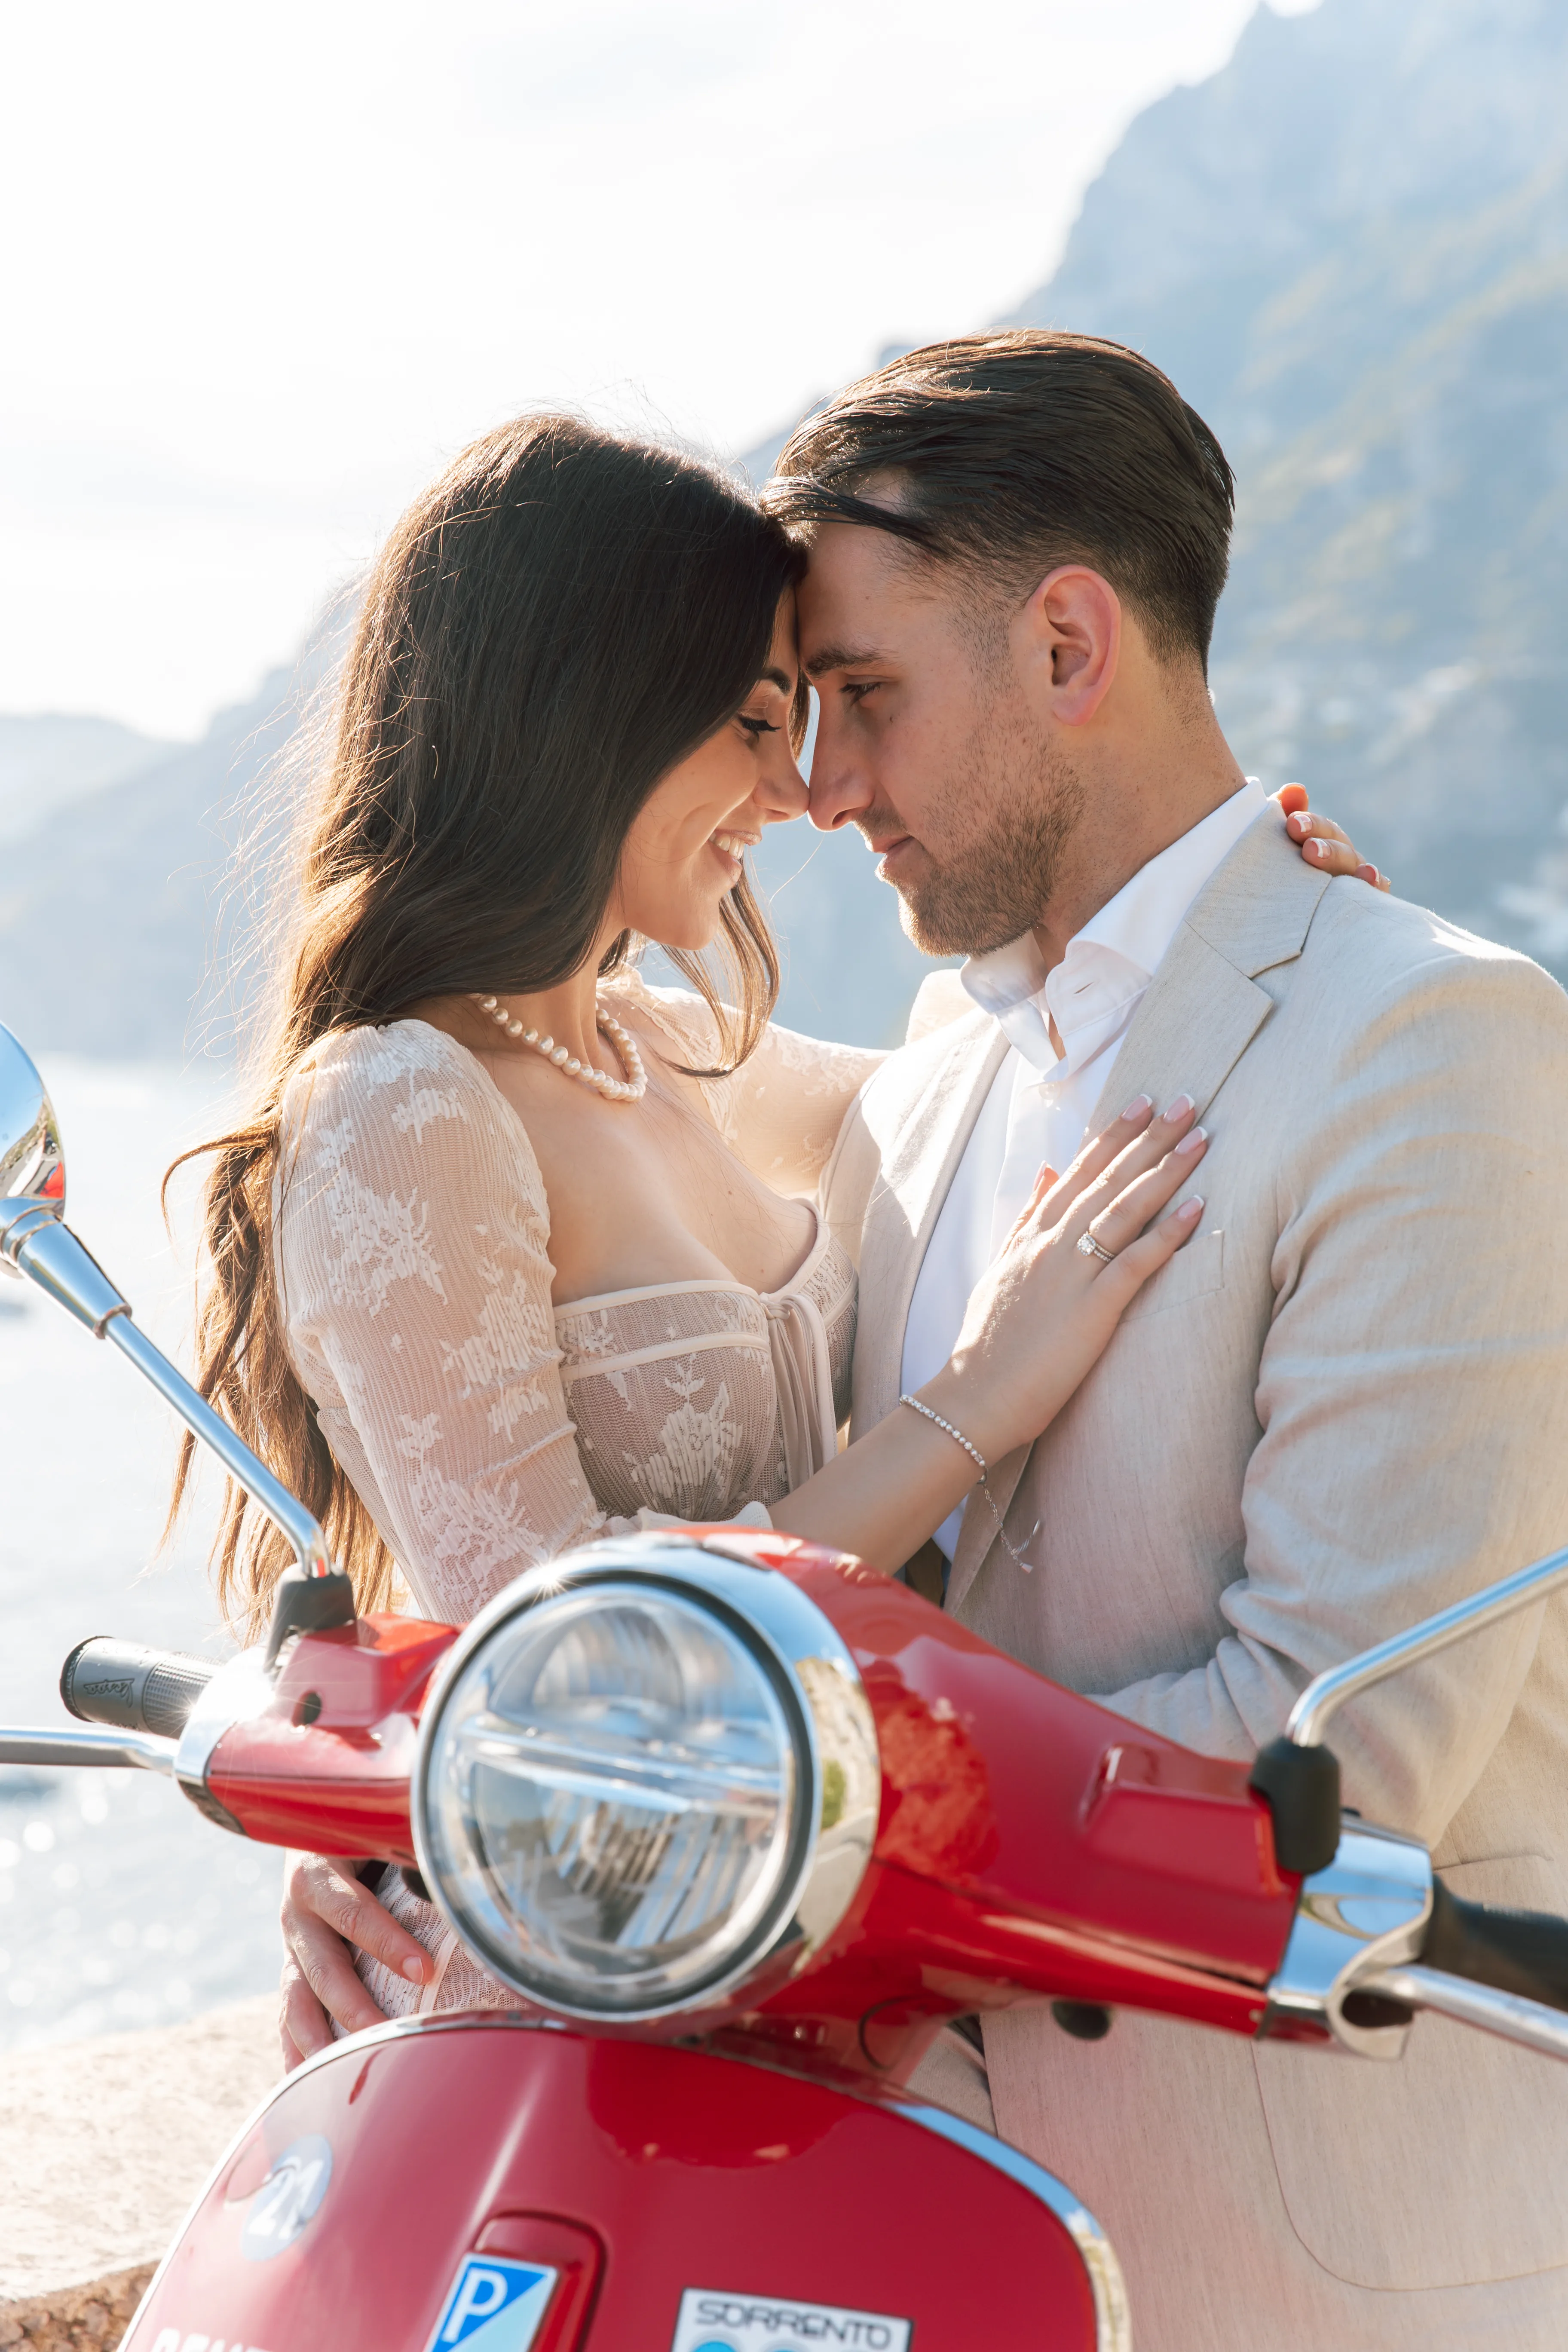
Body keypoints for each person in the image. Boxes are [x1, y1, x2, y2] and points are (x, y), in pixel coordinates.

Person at [187, 419, 1370, 2068]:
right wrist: (970, 1405)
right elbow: (569, 1665)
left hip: (809, 1966)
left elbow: (1032, 1071)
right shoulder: (402, 1102)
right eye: (755, 720)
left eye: (812, 718)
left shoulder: (673, 1053)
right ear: (581, 703)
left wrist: (1255, 905)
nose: (798, 790)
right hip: (566, 2008)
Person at [771, 330, 1568, 2351]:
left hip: (1327, 2277)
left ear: (1065, 645)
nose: (822, 788)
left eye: (865, 698)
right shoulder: (920, 1082)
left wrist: (789, 1865)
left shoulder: (1430, 1045)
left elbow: (1341, 1758)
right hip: (943, 2257)